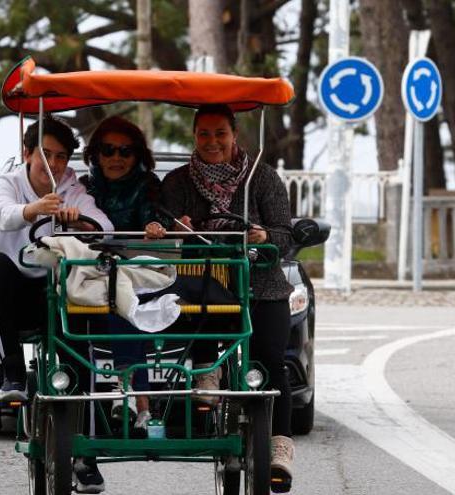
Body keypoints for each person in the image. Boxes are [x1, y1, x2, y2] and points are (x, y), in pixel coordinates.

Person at [160, 104, 296, 491]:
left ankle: (280, 447)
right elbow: (159, 228)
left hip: (260, 285)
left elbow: (285, 234)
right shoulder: (177, 182)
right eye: (204, 134)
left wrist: (265, 236)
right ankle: (207, 374)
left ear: (234, 134)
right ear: (193, 136)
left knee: (272, 362)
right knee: (199, 303)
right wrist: (177, 230)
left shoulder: (264, 178)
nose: (212, 142)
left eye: (220, 133)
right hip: (204, 283)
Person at [0, 116, 113, 493]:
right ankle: (12, 372)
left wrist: (81, 222)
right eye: (46, 155)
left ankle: (85, 457)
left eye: (61, 158)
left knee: (81, 354)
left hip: (58, 293)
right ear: (27, 154)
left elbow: (103, 225)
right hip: (17, 292)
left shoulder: (71, 188)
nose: (53, 165)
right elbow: (0, 216)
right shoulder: (7, 183)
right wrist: (34, 209)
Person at [79, 116, 167, 435]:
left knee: (124, 290)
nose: (116, 158)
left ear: (138, 156)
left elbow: (156, 223)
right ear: (95, 154)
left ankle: (128, 393)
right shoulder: (82, 188)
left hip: (139, 273)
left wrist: (154, 230)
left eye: (125, 151)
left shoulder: (149, 187)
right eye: (108, 150)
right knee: (120, 289)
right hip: (90, 273)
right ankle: (137, 401)